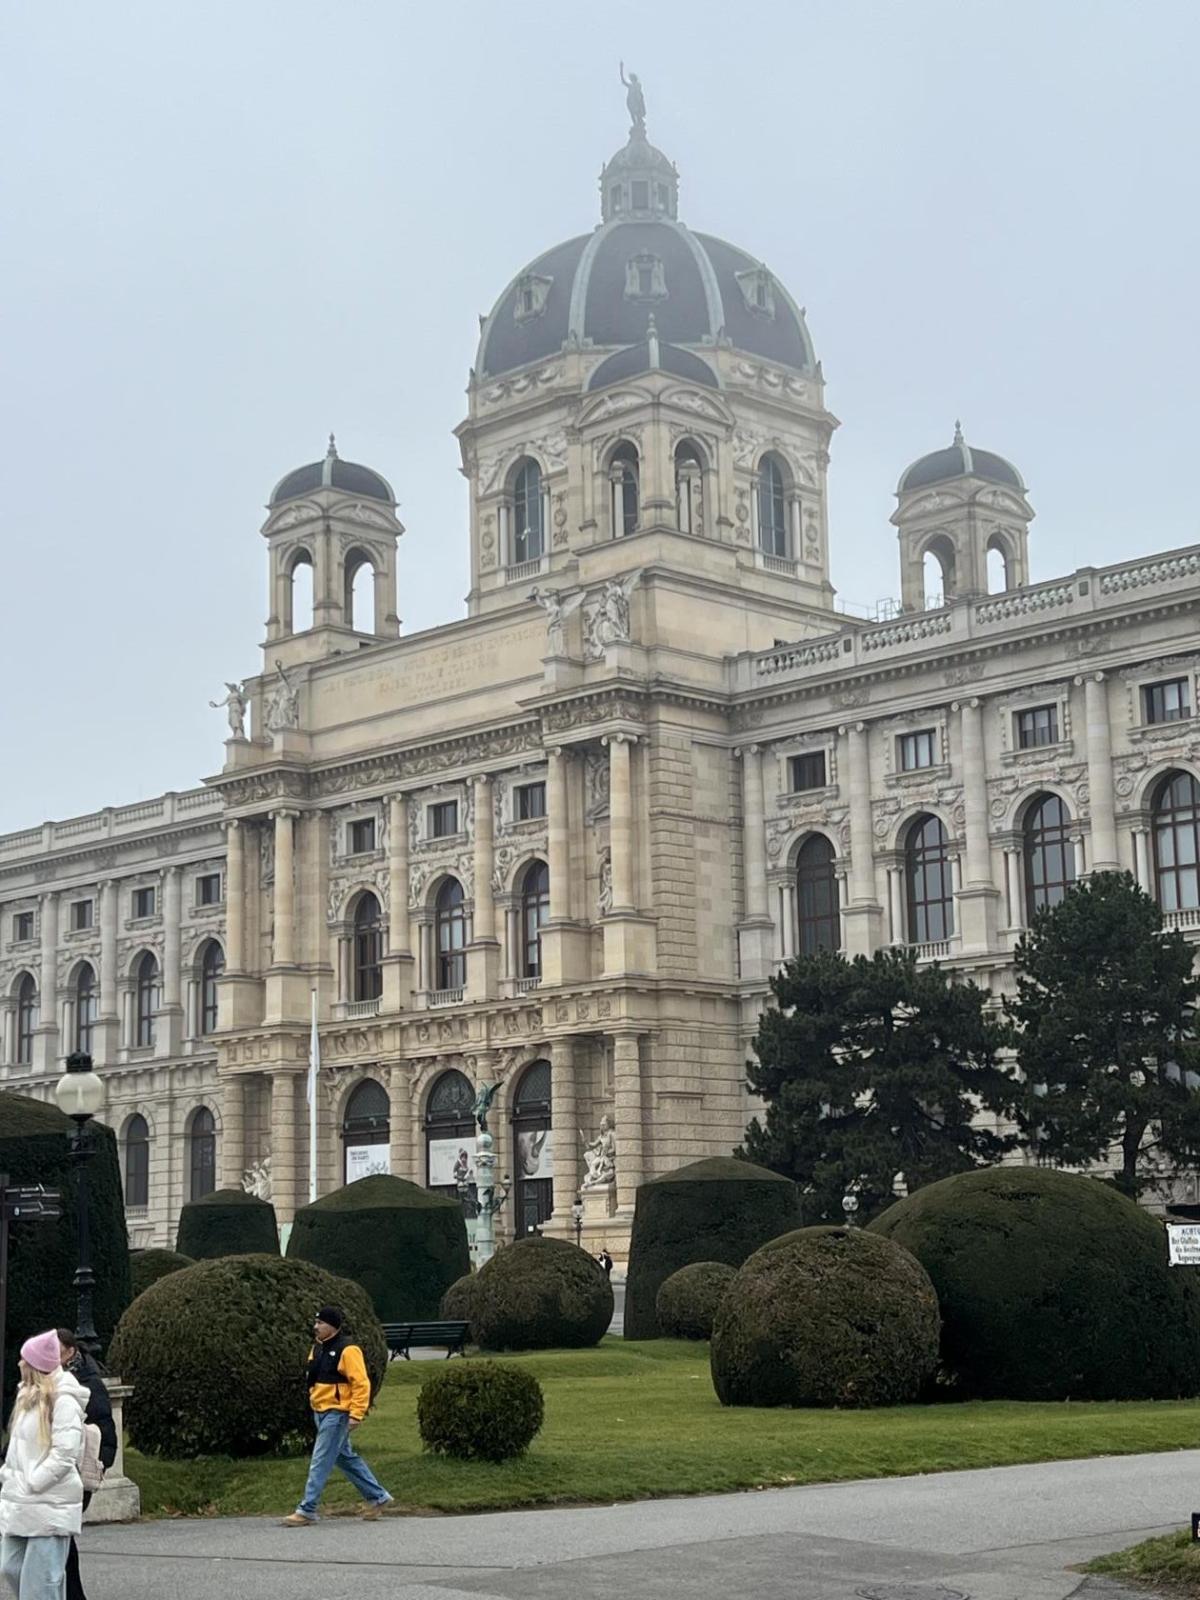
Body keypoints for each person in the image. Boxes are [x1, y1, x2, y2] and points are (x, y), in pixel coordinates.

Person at [282, 1306, 392, 1527]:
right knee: (345, 1458)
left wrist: (356, 1414)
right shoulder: (317, 1349)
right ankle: (378, 1497)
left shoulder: (348, 1350)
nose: (316, 1327)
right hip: (321, 1411)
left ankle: (307, 1509)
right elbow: (312, 1378)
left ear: (332, 1326)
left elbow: (361, 1384)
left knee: (320, 1459)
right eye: (316, 1322)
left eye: (320, 1323)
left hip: (337, 1412)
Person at [0, 1330, 89, 1600]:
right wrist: (8, 1475)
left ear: (35, 1365)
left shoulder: (65, 1400)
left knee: (42, 1584)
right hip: (22, 1501)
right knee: (10, 1567)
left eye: (25, 1359)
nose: (19, 1363)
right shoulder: (26, 1397)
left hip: (50, 1503)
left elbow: (65, 1453)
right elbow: (18, 1448)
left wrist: (35, 1481)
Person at [56, 1330, 117, 1600]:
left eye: (56, 1349)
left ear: (70, 1351)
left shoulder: (89, 1383)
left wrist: (97, 1465)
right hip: (59, 1473)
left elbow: (105, 1431)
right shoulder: (51, 1379)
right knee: (58, 1538)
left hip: (75, 1473)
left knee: (59, 1536)